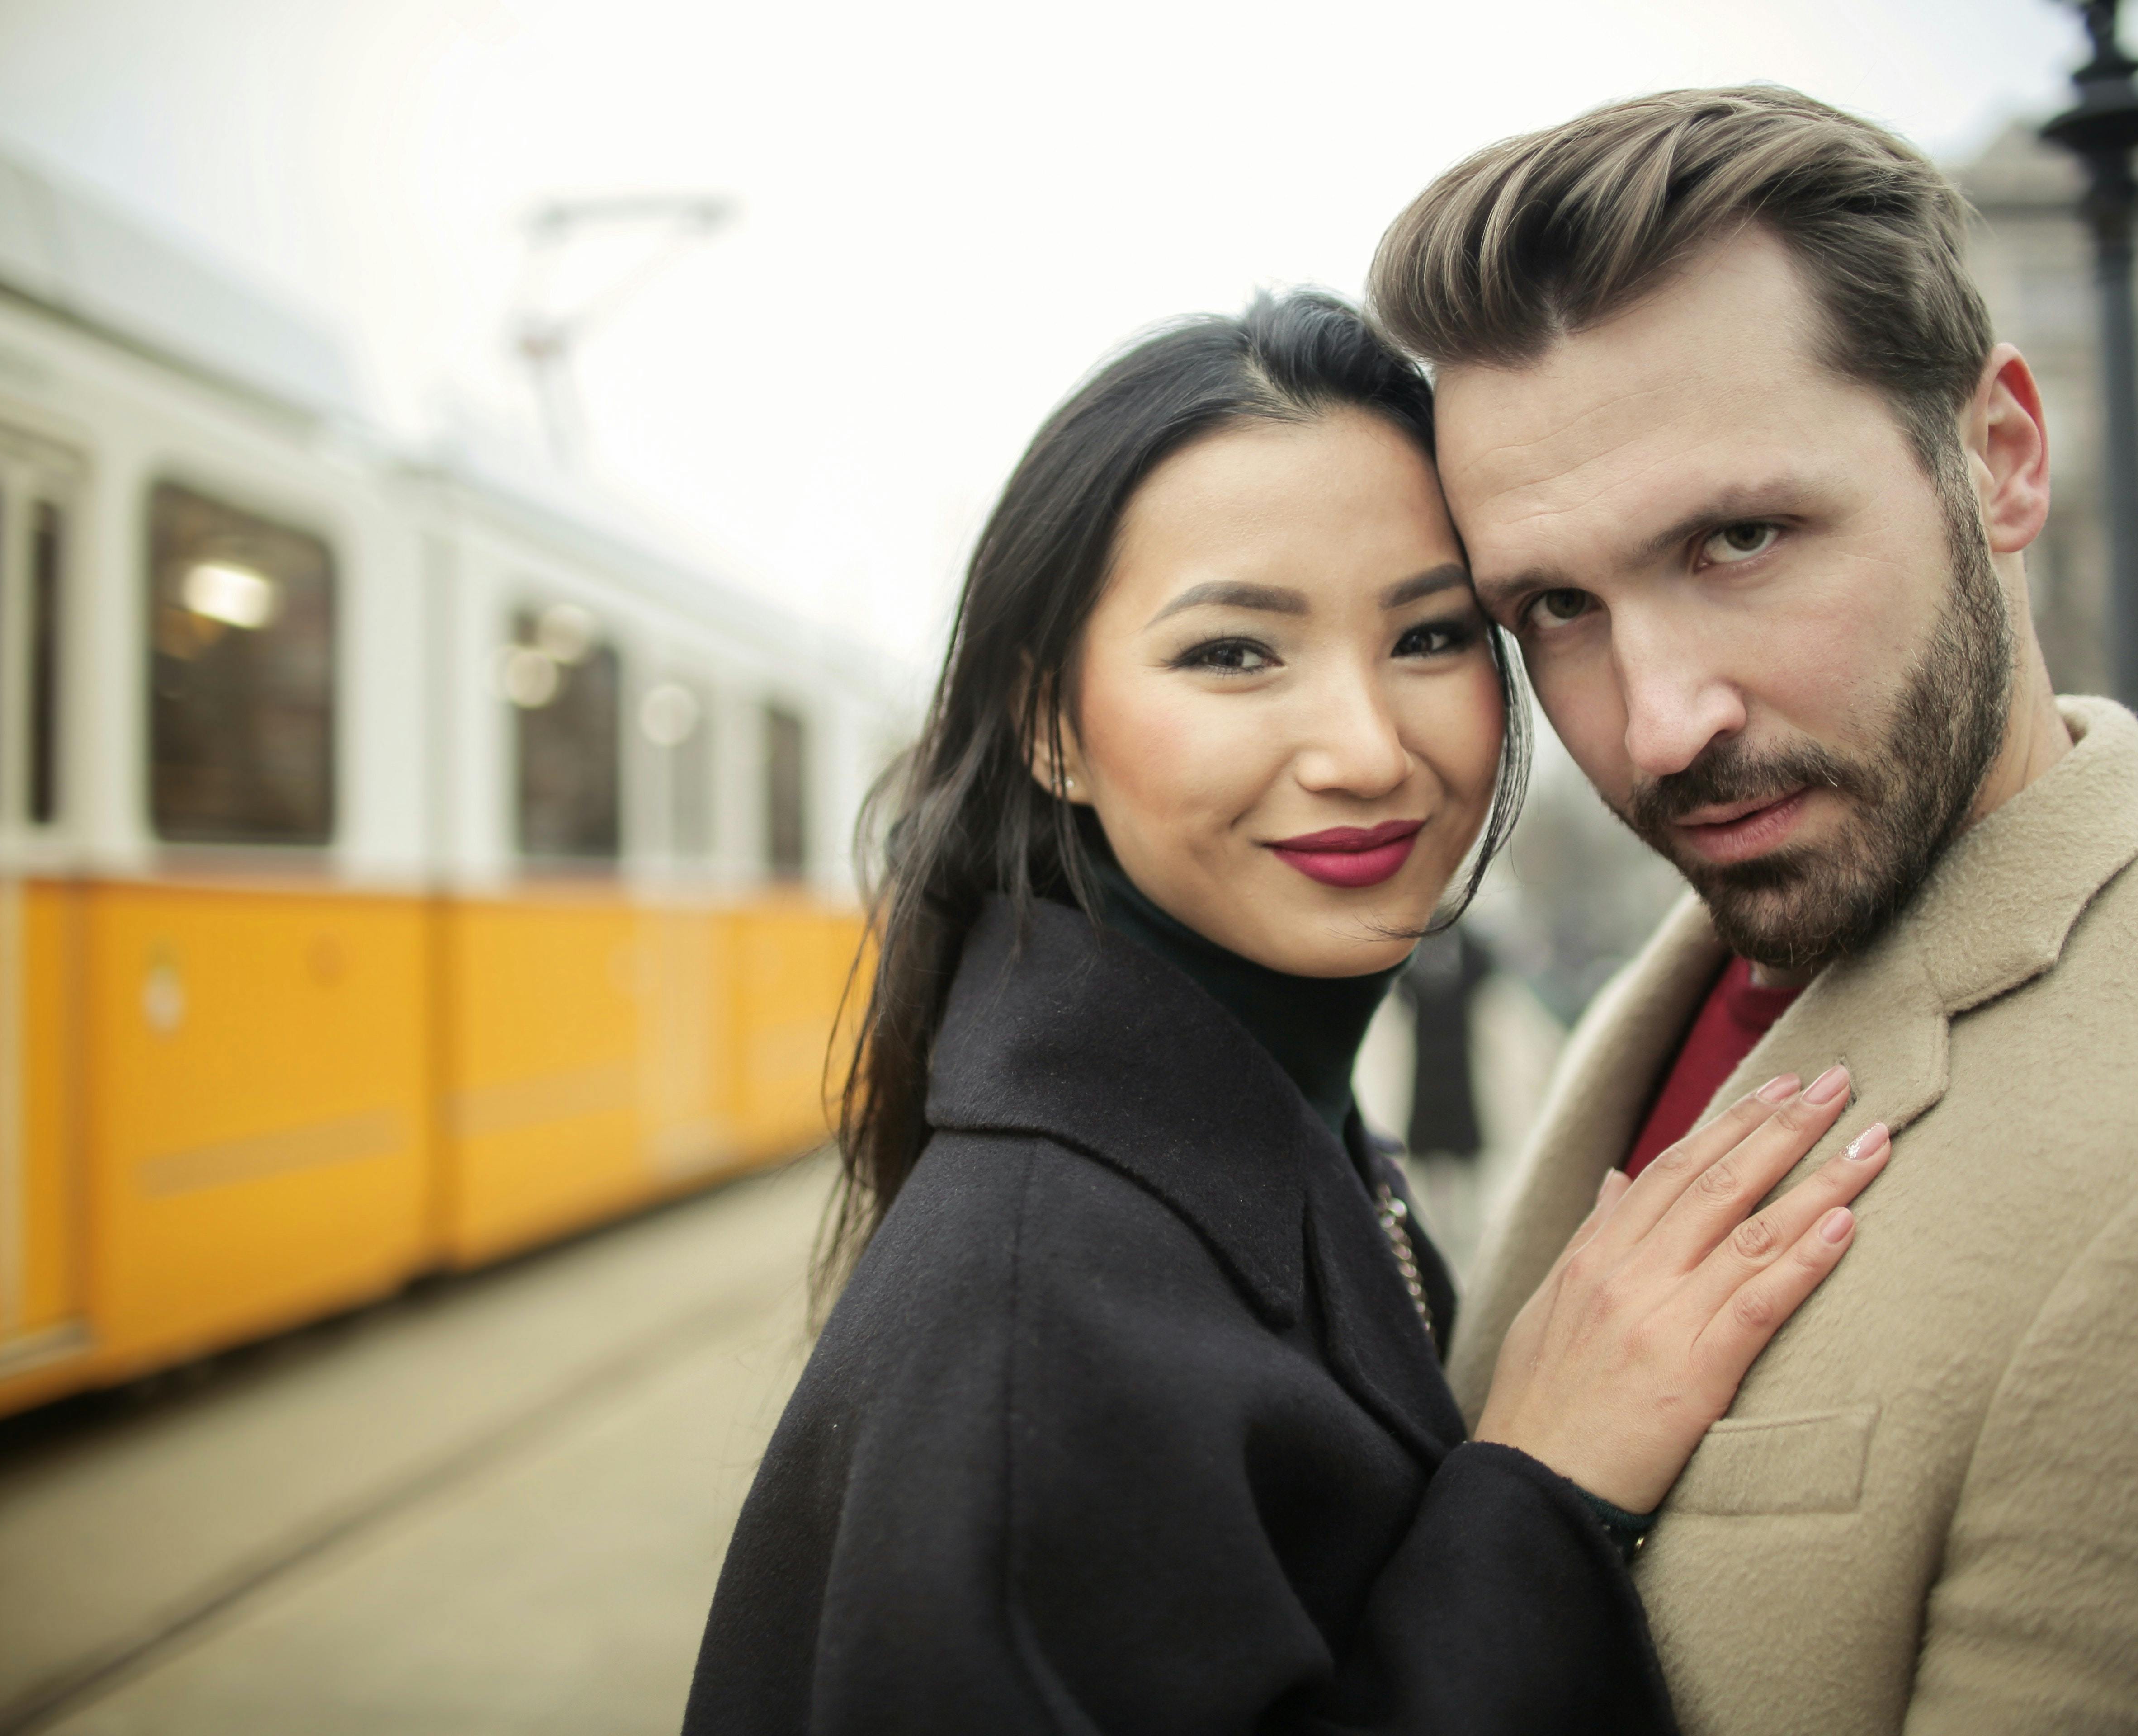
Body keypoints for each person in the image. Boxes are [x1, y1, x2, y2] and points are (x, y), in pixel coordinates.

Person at [1369, 87, 2138, 1733]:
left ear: (1998, 457)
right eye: (1558, 607)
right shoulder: (1726, 967)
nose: (1658, 724)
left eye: (1740, 538)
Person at [685, 292, 1898, 1734]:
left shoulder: (1242, 1137)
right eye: (1235, 655)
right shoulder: (1038, 1326)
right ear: (1051, 726)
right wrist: (1541, 1493)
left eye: (1433, 639)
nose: (1365, 750)